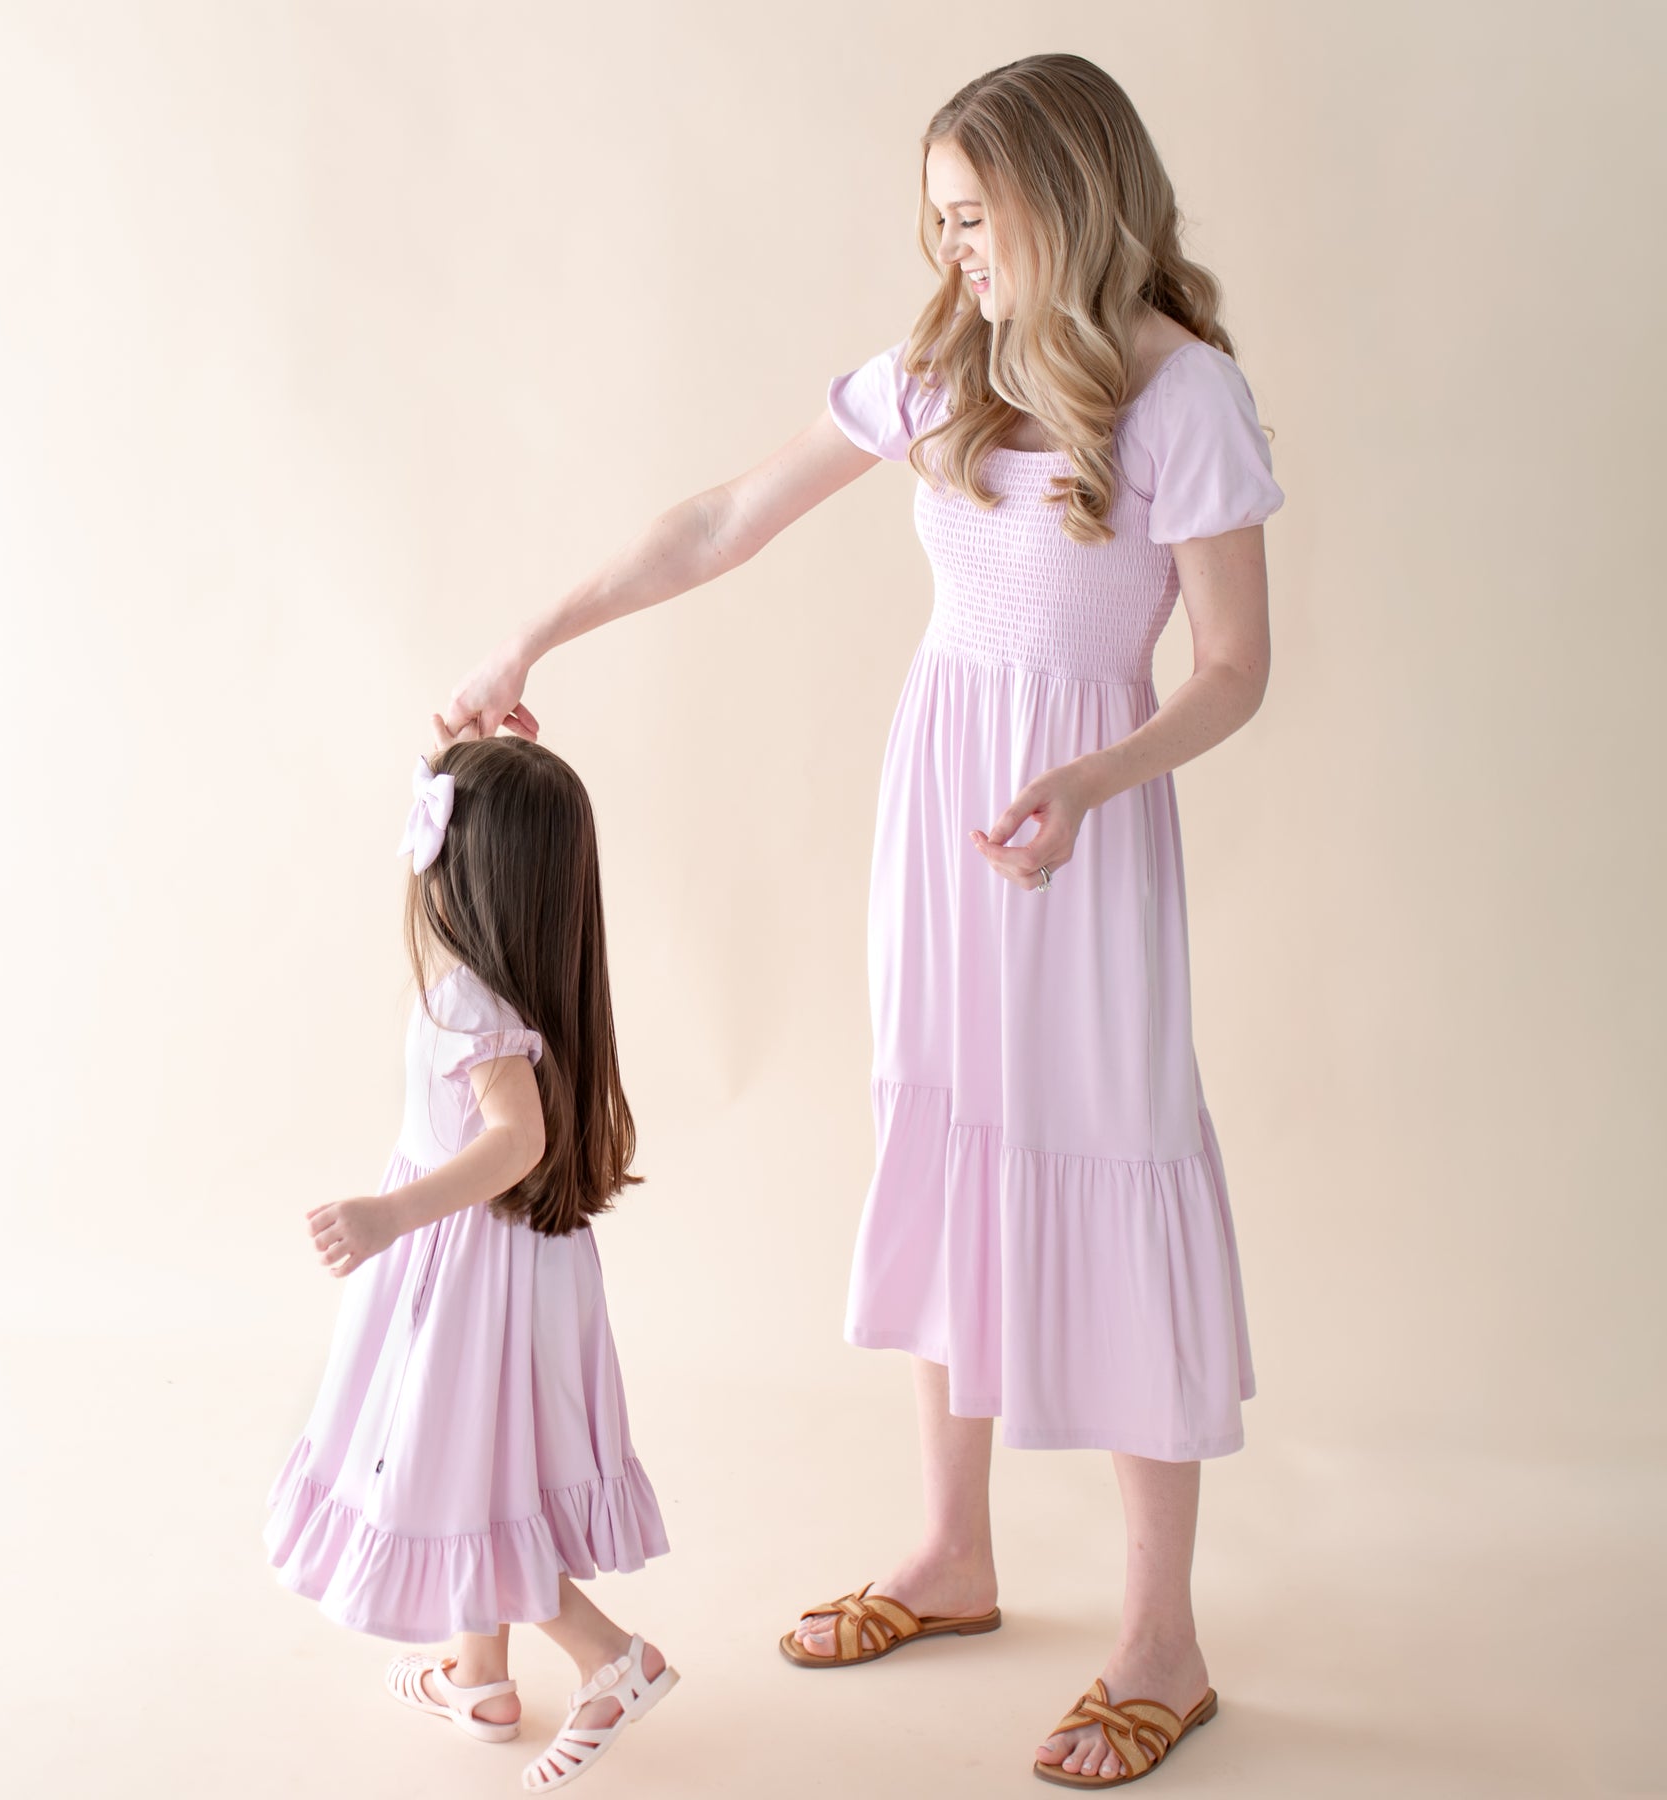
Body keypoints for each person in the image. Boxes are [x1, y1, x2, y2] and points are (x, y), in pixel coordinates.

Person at [433, 52, 1282, 1791]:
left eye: (979, 216)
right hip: (941, 811)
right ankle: (954, 1554)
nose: (954, 248)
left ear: (1073, 194)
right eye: (939, 218)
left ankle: (1162, 1643)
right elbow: (728, 518)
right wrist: (536, 638)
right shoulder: (945, 369)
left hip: (1080, 829)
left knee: (1109, 1162)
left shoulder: (1183, 396)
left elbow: (1238, 670)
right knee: (954, 1141)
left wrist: (1098, 782)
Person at [263, 736, 678, 1793]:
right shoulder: (511, 991)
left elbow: (517, 1142)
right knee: (481, 1469)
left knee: (464, 1475)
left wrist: (390, 1214)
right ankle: (478, 1673)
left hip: (468, 1274)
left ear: (465, 870)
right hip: (511, 1269)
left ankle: (611, 1661)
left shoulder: (467, 1001)